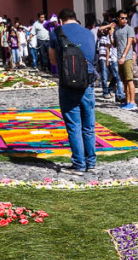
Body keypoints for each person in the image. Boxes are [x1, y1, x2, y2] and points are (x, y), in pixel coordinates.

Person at [52, 8, 96, 175]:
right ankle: (91, 162)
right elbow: (93, 57)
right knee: (89, 126)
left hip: (68, 84)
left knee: (74, 125)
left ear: (61, 20)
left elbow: (53, 60)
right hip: (88, 83)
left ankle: (78, 164)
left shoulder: (57, 32)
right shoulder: (89, 33)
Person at [113, 10, 137, 109]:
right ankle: (127, 101)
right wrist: (111, 35)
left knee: (129, 80)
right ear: (118, 18)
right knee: (124, 81)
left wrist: (123, 56)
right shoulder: (116, 30)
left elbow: (129, 44)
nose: (125, 20)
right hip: (119, 58)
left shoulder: (129, 29)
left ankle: (132, 102)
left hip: (127, 58)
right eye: (122, 18)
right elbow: (114, 45)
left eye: (126, 18)